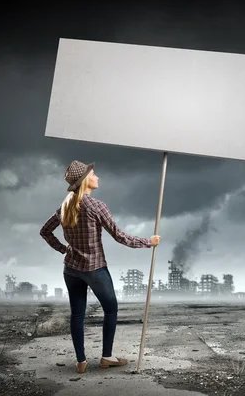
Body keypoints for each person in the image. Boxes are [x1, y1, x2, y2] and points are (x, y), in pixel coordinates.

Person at [40, 160, 161, 373]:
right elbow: (120, 236)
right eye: (93, 173)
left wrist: (63, 249)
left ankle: (81, 362)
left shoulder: (65, 206)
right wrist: (148, 242)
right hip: (95, 269)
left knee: (77, 314)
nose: (97, 176)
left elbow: (45, 231)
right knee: (111, 309)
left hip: (71, 269)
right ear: (85, 180)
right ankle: (106, 357)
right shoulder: (96, 206)